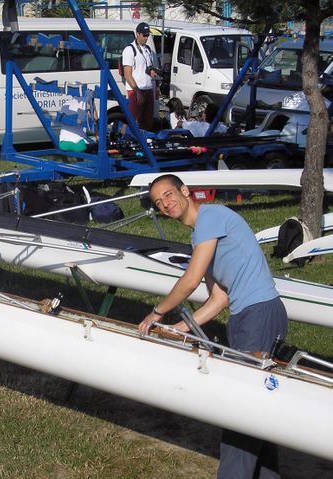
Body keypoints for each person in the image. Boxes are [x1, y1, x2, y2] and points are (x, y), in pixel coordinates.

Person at [138, 174, 288, 479]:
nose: (165, 203)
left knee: (240, 412)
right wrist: (178, 328)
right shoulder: (199, 237)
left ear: (185, 191)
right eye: (158, 202)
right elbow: (219, 299)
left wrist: (157, 312)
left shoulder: (211, 217)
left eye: (168, 194)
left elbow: (191, 281)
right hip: (244, 317)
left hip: (260, 313)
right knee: (256, 409)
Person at [122, 22, 158, 131]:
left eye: (148, 35)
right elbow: (127, 74)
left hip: (148, 89)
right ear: (137, 34)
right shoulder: (129, 50)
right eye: (144, 35)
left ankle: (145, 139)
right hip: (136, 90)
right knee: (134, 120)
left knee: (147, 122)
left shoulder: (148, 50)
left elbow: (146, 68)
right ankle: (127, 136)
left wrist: (152, 73)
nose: (146, 37)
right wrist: (137, 92)